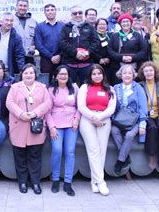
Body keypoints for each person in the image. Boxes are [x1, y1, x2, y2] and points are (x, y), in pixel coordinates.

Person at [6, 64, 52, 195]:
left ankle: (35, 182)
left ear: (35, 74)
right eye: (26, 73)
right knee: (19, 156)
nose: (28, 75)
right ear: (22, 74)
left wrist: (34, 113)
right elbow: (9, 103)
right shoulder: (15, 87)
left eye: (31, 73)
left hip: (35, 126)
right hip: (18, 125)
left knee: (35, 156)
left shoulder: (42, 87)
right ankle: (22, 182)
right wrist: (21, 114)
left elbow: (47, 104)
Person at [77, 64, 116, 196]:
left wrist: (99, 117)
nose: (97, 76)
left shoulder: (110, 89)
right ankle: (101, 181)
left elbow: (111, 108)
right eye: (94, 74)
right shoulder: (84, 87)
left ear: (103, 74)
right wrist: (93, 117)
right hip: (87, 119)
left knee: (102, 149)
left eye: (99, 73)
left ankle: (94, 181)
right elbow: (81, 106)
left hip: (104, 119)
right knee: (93, 148)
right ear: (90, 75)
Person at [46, 65, 80, 196]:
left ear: (68, 76)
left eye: (65, 74)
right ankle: (55, 180)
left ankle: (68, 182)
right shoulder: (51, 90)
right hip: (56, 124)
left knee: (70, 151)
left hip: (72, 124)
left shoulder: (74, 88)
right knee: (57, 150)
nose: (63, 76)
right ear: (56, 76)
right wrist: (51, 127)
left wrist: (77, 119)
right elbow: (47, 111)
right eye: (61, 74)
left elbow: (79, 106)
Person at [111, 64, 147, 176]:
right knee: (114, 130)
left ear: (133, 75)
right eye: (124, 73)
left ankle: (120, 161)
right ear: (120, 75)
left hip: (135, 120)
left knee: (130, 135)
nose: (127, 75)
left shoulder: (138, 88)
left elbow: (143, 106)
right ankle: (125, 157)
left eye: (129, 73)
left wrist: (142, 124)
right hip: (119, 119)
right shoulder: (115, 88)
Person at [59, 5, 100, 85]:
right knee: (70, 88)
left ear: (83, 14)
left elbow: (96, 42)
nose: (78, 15)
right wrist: (75, 53)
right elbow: (62, 42)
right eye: (75, 13)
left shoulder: (90, 27)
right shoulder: (65, 27)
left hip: (87, 64)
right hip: (69, 64)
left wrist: (87, 52)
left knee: (87, 87)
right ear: (71, 15)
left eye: (80, 13)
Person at [137, 62, 159, 169]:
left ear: (155, 72)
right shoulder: (140, 86)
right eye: (146, 71)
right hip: (146, 115)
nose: (149, 73)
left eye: (151, 70)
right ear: (143, 73)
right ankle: (152, 156)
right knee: (152, 128)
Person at [107, 13, 147, 85]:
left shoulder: (137, 35)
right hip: (117, 67)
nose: (125, 23)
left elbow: (143, 50)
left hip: (134, 67)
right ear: (120, 23)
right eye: (123, 22)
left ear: (131, 23)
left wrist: (132, 58)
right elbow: (110, 50)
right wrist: (121, 57)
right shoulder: (114, 36)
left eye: (127, 21)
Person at [35, 4, 64, 81]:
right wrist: (50, 57)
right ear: (44, 13)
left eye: (52, 10)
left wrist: (59, 55)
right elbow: (38, 45)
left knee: (61, 82)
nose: (50, 12)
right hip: (46, 60)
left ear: (55, 11)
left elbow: (66, 42)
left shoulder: (63, 25)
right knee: (46, 83)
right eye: (47, 10)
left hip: (61, 59)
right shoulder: (39, 26)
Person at [13, 0, 37, 65]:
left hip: (29, 56)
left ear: (28, 7)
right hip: (14, 56)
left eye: (24, 6)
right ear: (16, 6)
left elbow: (38, 38)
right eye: (20, 5)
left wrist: (35, 46)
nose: (22, 8)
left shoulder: (34, 22)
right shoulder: (10, 20)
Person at [95, 18, 113, 83]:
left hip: (109, 64)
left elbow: (113, 48)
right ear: (96, 26)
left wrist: (108, 58)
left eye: (104, 24)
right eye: (100, 24)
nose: (102, 26)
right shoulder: (92, 36)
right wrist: (99, 59)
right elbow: (91, 49)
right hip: (96, 63)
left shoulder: (111, 35)